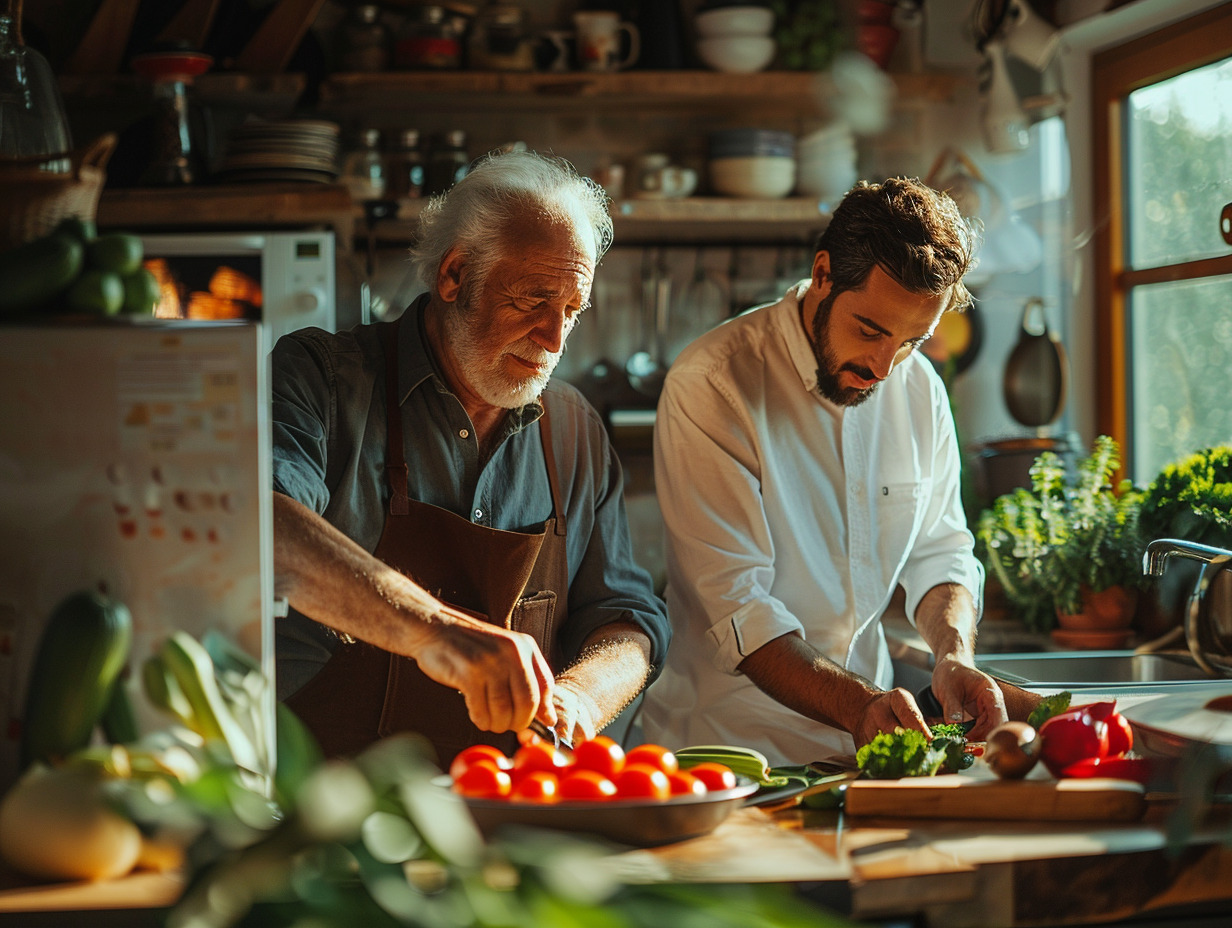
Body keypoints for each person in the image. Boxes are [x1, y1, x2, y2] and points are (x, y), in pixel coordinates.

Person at [270, 150, 670, 763]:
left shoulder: (574, 431)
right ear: (454, 275)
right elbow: (265, 530)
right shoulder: (322, 380)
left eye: (571, 310)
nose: (554, 339)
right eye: (534, 300)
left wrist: (582, 700)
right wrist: (440, 633)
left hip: (510, 808)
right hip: (324, 810)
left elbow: (627, 617)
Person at [641, 177, 1010, 767]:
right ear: (822, 274)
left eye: (913, 341)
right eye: (870, 331)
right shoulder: (713, 382)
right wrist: (859, 705)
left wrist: (953, 654)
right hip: (728, 753)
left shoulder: (921, 391)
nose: (885, 368)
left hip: (869, 749)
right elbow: (739, 606)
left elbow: (939, 553)